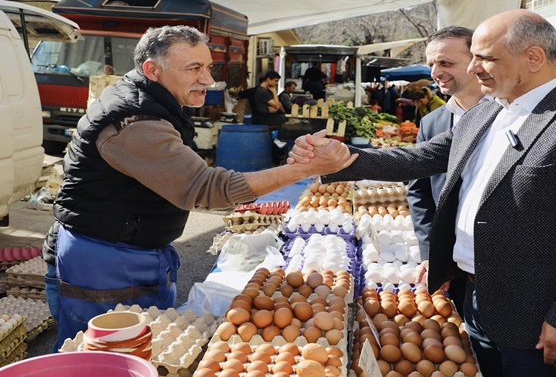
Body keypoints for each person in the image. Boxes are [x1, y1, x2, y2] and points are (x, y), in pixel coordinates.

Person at [290, 9, 556, 377]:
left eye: (485, 58)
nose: (473, 69)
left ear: (533, 58)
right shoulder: (487, 111)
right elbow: (420, 158)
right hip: (477, 302)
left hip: (539, 318)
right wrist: (340, 161)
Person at [41, 25, 355, 349]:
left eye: (208, 68)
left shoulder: (150, 101)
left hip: (127, 249)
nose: (208, 80)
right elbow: (208, 190)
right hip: (104, 262)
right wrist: (302, 169)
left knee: (139, 352)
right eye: (194, 69)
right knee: (102, 362)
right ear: (153, 70)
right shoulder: (134, 122)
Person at [407, 26, 487, 318]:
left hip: (497, 266)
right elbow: (419, 190)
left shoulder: (511, 116)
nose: (435, 72)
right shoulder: (432, 123)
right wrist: (431, 253)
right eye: (431, 64)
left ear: (476, 61)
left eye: (446, 63)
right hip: (451, 263)